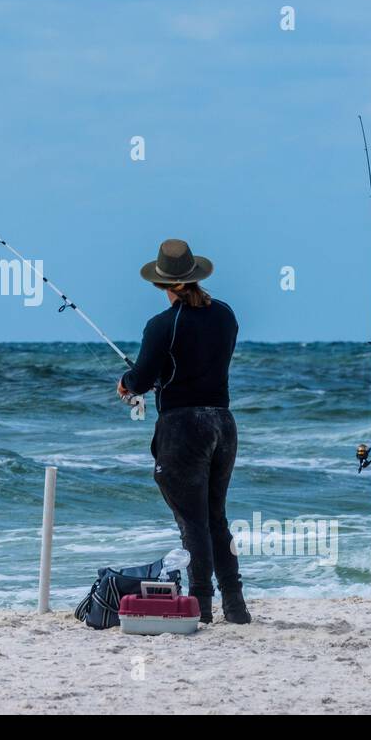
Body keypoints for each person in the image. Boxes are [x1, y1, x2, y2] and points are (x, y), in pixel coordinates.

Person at [116, 238, 251, 624]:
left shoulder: (162, 325)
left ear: (161, 284)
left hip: (183, 427)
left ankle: (202, 607)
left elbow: (140, 378)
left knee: (192, 522)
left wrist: (125, 383)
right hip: (223, 423)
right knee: (215, 518)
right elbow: (201, 362)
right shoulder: (226, 314)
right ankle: (235, 605)